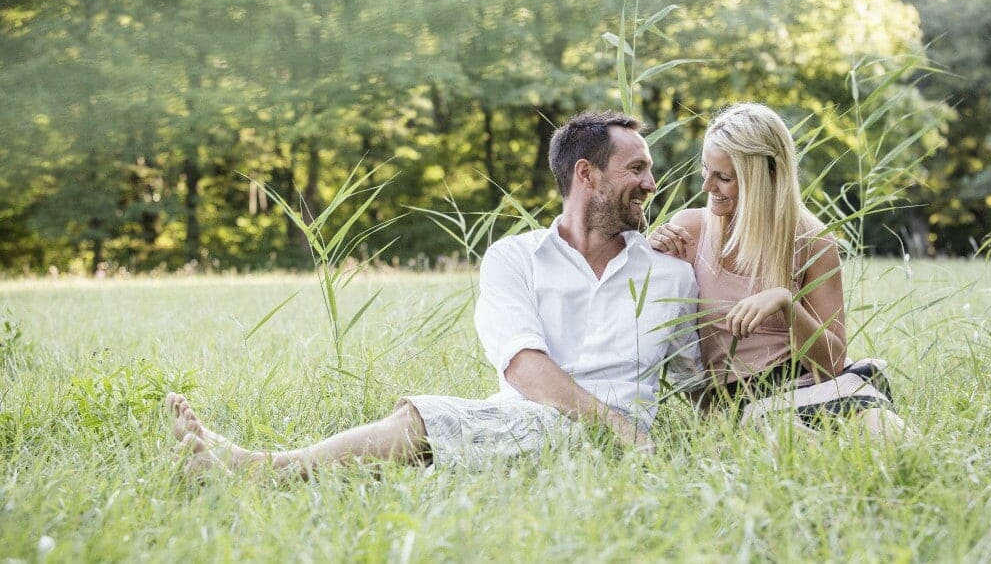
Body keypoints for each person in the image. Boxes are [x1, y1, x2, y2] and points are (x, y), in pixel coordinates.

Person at [167, 111, 702, 477]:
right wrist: (617, 425)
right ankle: (249, 464)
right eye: (637, 168)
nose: (653, 183)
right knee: (433, 434)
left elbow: (699, 384)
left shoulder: (670, 274)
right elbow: (522, 366)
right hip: (531, 419)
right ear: (587, 174)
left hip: (600, 446)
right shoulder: (514, 259)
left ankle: (255, 467)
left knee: (424, 424)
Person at [649, 102, 912, 439]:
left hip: (810, 386)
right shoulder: (690, 231)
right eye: (705, 171)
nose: (706, 187)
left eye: (724, 178)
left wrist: (787, 303)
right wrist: (650, 253)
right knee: (793, 441)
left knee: (886, 429)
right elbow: (646, 321)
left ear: (767, 177)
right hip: (738, 403)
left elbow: (830, 364)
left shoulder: (812, 241)